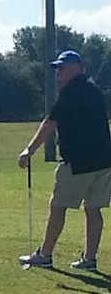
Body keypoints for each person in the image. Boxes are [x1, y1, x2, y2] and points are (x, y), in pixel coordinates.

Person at [18, 50, 111, 271]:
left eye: (63, 68)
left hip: (78, 163)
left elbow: (49, 125)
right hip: (105, 161)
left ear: (77, 68)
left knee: (58, 206)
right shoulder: (95, 91)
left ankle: (45, 255)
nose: (58, 73)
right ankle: (89, 260)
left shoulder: (70, 93)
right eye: (58, 69)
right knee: (93, 209)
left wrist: (28, 151)